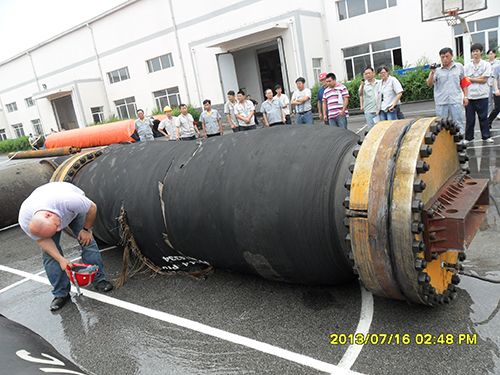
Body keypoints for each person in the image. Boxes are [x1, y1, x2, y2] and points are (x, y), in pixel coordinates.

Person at [18, 182, 113, 311]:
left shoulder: (70, 200)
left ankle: (99, 280)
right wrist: (61, 259)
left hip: (72, 212)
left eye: (58, 227)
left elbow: (92, 208)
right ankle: (61, 294)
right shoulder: (25, 220)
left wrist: (86, 230)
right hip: (49, 220)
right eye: (56, 230)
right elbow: (42, 241)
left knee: (88, 243)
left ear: (49, 215)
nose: (60, 229)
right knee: (50, 256)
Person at [426, 47, 468, 135]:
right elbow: (429, 84)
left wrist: (465, 96)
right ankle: (445, 146)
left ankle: (460, 142)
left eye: (447, 56)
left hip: (455, 100)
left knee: (458, 122)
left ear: (452, 56)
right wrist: (432, 72)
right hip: (441, 102)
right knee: (441, 124)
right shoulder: (436, 70)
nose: (445, 59)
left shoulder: (459, 67)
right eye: (442, 57)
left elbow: (463, 82)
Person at [464, 43, 493, 143]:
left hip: (482, 96)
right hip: (470, 96)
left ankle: (486, 136)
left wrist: (471, 79)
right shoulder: (467, 66)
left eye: (477, 51)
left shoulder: (486, 64)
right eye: (473, 51)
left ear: (481, 52)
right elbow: (464, 81)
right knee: (470, 119)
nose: (475, 53)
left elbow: (485, 79)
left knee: (483, 118)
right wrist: (465, 96)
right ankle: (468, 138)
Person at [359, 67, 379, 131]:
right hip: (369, 110)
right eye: (366, 74)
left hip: (379, 110)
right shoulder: (363, 85)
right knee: (371, 129)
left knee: (380, 128)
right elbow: (360, 94)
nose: (367, 75)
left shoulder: (379, 83)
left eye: (369, 73)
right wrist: (361, 105)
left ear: (373, 73)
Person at [487, 48, 500, 115]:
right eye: (489, 54)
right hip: (488, 83)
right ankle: (490, 114)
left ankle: (498, 114)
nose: (490, 55)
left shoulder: (498, 63)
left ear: (495, 54)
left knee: (497, 100)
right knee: (489, 100)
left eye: (491, 54)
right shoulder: (486, 63)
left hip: (496, 84)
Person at [488, 60, 500, 128]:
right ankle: (488, 121)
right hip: (498, 90)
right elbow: (495, 79)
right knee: (497, 108)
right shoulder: (497, 67)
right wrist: (496, 89)